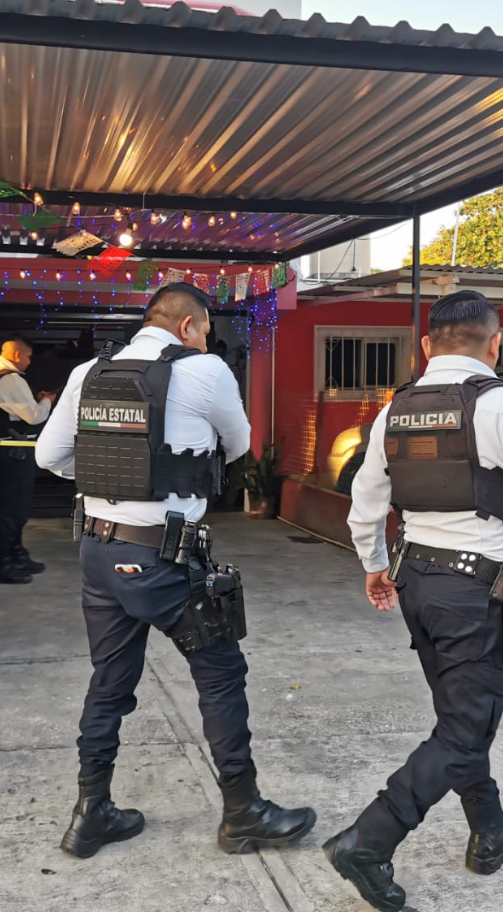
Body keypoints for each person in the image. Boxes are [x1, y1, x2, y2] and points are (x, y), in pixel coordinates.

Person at [323, 290, 503, 912]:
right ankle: (368, 842)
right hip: (476, 592)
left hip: (417, 585)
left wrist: (375, 566)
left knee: (463, 718)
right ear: (495, 344)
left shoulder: (396, 409)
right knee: (462, 726)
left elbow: (366, 501)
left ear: (427, 347)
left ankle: (491, 831)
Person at [35, 282, 316, 859]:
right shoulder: (206, 370)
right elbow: (238, 446)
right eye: (206, 330)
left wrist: (112, 476)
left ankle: (91, 814)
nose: (206, 340)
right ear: (188, 326)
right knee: (220, 674)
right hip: (162, 557)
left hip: (96, 550)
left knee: (109, 683)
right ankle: (243, 812)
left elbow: (50, 457)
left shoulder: (89, 371)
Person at [0, 337, 55, 585]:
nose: (30, 362)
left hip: (0, 451)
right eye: (29, 357)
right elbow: (32, 416)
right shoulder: (10, 379)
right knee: (11, 510)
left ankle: (17, 554)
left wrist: (33, 399)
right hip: (13, 454)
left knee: (10, 507)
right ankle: (4, 564)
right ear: (18, 355)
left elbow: (7, 410)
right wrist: (47, 402)